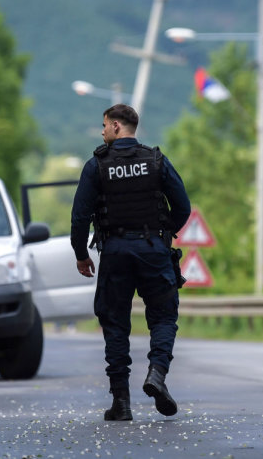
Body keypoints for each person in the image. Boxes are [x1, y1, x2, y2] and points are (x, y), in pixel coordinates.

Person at [71, 103, 191, 421]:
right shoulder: (156, 161)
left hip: (116, 253)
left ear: (116, 127)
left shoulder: (95, 166)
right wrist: (164, 233)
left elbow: (80, 216)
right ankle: (157, 375)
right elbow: (183, 205)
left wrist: (80, 253)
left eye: (104, 125)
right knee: (164, 318)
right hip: (154, 250)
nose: (101, 131)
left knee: (115, 324)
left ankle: (121, 403)